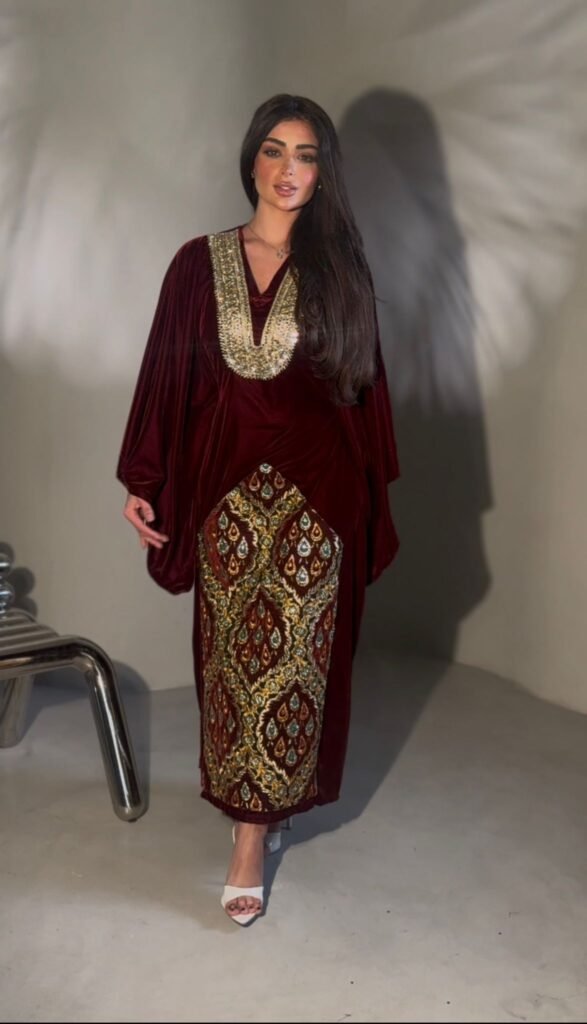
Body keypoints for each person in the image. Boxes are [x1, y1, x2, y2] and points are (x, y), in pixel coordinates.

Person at [116, 93, 400, 927]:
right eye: (274, 150)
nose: (287, 169)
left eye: (305, 155)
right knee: (234, 665)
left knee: (299, 667)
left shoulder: (341, 270)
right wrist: (145, 475)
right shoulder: (196, 264)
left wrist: (365, 503)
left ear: (323, 173)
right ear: (251, 159)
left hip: (318, 500)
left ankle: (262, 819)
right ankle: (248, 828)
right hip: (225, 496)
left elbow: (363, 396)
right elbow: (167, 375)